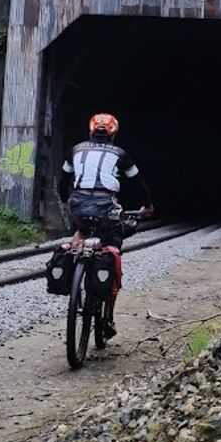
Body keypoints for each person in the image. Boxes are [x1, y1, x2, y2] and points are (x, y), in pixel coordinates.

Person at [59, 113, 153, 337]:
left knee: (81, 233)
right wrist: (147, 205)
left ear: (91, 131)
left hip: (77, 206)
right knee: (112, 250)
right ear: (113, 134)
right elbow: (137, 183)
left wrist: (66, 201)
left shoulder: (75, 150)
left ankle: (74, 270)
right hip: (106, 208)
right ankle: (108, 315)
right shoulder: (121, 154)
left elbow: (63, 181)